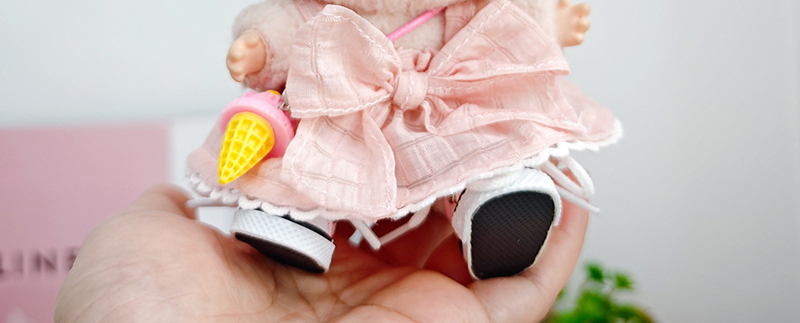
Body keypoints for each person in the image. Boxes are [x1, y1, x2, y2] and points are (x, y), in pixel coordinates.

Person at [54, 183, 589, 323]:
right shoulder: (316, 18)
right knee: (311, 148)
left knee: (466, 140)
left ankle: (491, 197)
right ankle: (293, 215)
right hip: (342, 101)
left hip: (435, 95)